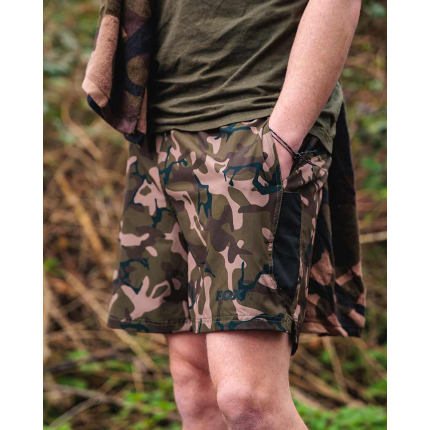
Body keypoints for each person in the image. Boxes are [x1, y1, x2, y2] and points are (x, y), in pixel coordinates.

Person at [84, 0, 363, 428]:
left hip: (254, 119)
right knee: (195, 385)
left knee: (248, 399)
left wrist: (282, 139)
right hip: (159, 125)